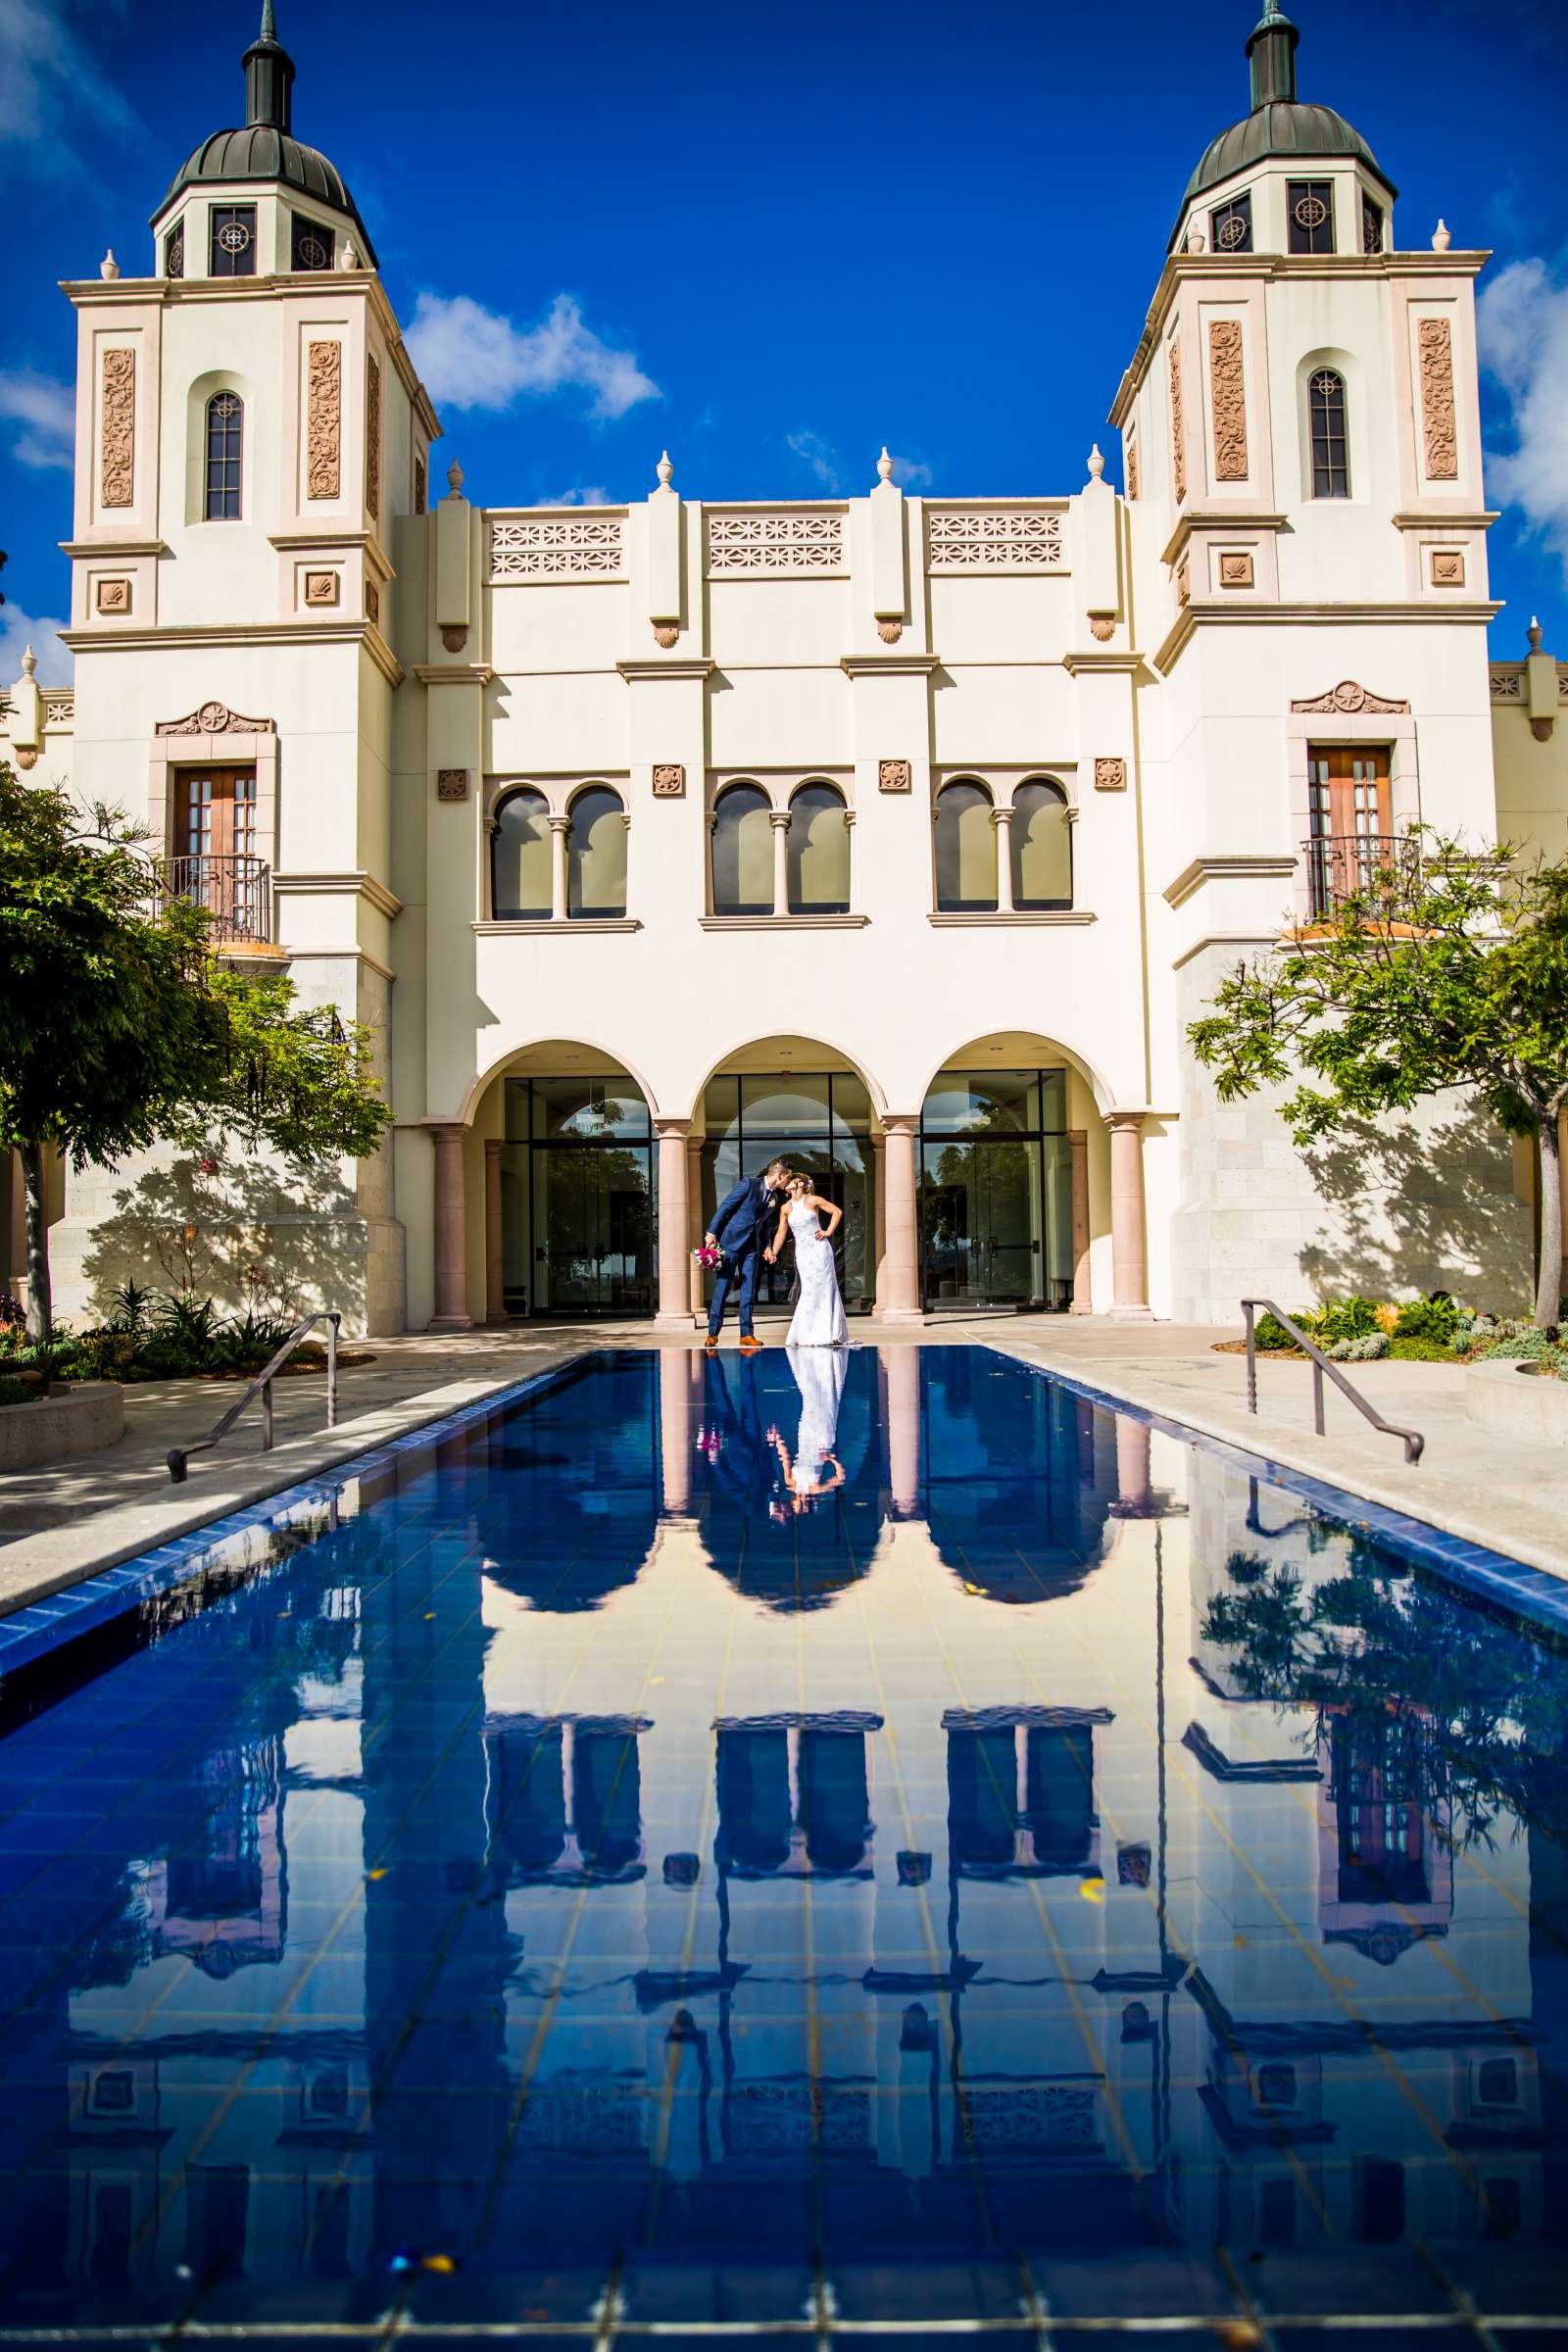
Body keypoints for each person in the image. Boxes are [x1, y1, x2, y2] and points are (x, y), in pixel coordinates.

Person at [704, 1157, 792, 1353]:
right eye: (788, 1178)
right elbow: (726, 1207)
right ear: (781, 1176)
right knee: (723, 1288)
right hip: (730, 1244)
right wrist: (712, 1232)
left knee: (748, 1290)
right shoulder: (749, 1184)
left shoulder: (775, 1199)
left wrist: (767, 1247)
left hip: (752, 1249)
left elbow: (765, 1226)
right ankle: (712, 1333)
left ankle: (746, 1334)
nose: (787, 1183)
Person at [765, 1170, 847, 1348]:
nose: (786, 1181)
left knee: (824, 1288)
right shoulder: (786, 1208)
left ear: (800, 1184)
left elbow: (837, 1211)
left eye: (791, 1179)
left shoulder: (812, 1200)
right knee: (809, 1290)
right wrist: (774, 1252)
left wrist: (828, 1231)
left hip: (819, 1251)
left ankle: (827, 1333)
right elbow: (781, 1232)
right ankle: (807, 1333)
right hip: (802, 1254)